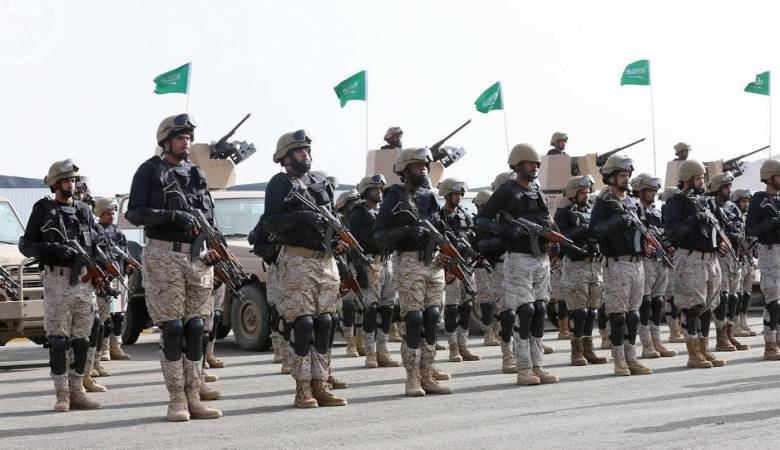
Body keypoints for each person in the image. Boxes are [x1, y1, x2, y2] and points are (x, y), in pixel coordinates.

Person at [126, 114, 222, 421]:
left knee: (196, 328)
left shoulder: (195, 172)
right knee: (173, 328)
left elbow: (209, 215)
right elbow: (135, 213)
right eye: (181, 137)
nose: (186, 142)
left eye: (189, 137)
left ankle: (194, 397)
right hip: (163, 255)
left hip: (197, 257)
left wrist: (215, 247)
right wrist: (171, 217)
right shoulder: (149, 170)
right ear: (166, 140)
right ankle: (177, 400)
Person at [262, 129, 347, 408]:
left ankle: (321, 383)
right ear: (285, 156)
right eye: (299, 151)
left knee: (326, 322)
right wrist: (300, 217)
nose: (305, 155)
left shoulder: (320, 183)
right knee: (303, 323)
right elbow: (270, 222)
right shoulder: (279, 183)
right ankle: (302, 388)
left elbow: (334, 218)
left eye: (307, 150)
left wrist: (338, 240)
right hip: (297, 260)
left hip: (326, 261)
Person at [20, 159, 102, 412]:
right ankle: (62, 394)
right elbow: (26, 245)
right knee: (58, 341)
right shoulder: (43, 209)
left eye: (74, 180)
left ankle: (77, 391)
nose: (72, 184)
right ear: (56, 184)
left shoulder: (84, 211)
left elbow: (96, 245)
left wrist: (101, 271)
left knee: (82, 340)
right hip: (57, 280)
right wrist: (52, 248)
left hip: (84, 282)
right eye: (67, 180)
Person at [475, 144, 559, 386]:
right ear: (518, 165)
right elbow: (482, 220)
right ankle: (523, 368)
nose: (534, 168)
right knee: (525, 311)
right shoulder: (507, 192)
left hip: (540, 259)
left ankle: (538, 365)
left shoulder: (537, 192)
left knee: (540, 311)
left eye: (536, 164)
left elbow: (548, 221)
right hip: (519, 258)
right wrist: (507, 230)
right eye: (530, 164)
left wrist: (556, 242)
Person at [374, 147, 452, 396]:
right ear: (405, 169)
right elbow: (378, 235)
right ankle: (412, 378)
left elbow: (442, 228)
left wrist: (451, 249)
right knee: (414, 318)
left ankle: (427, 374)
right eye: (418, 165)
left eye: (425, 165)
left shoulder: (430, 197)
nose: (424, 169)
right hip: (408, 261)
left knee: (432, 317)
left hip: (434, 262)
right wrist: (405, 232)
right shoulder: (394, 197)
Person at [589, 155, 653, 376]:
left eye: (628, 175)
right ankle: (619, 360)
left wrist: (646, 244)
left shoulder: (633, 203)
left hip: (637, 263)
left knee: (634, 315)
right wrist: (618, 221)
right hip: (617, 264)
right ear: (611, 177)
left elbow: (641, 229)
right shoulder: (604, 203)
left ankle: (631, 357)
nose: (626, 179)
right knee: (618, 315)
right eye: (622, 175)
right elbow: (594, 231)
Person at [664, 160, 726, 369]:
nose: (701, 182)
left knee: (708, 308)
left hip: (710, 260)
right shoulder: (676, 202)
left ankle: (704, 349)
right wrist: (694, 219)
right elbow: (672, 233)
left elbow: (716, 226)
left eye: (702, 178)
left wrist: (719, 243)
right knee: (692, 307)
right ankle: (693, 353)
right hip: (691, 259)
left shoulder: (705, 202)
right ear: (687, 179)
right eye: (698, 178)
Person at [554, 175, 608, 366]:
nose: (586, 196)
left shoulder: (592, 210)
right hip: (576, 265)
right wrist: (585, 229)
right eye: (582, 192)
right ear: (573, 193)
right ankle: (576, 351)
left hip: (595, 264)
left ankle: (589, 350)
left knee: (592, 311)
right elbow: (561, 236)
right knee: (579, 312)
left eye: (587, 192)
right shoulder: (565, 213)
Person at [349, 175, 400, 368]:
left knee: (388, 308)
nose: (379, 192)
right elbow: (353, 244)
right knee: (370, 309)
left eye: (380, 189)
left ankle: (383, 350)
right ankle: (370, 353)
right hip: (369, 263)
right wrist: (359, 270)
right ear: (366, 191)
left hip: (388, 262)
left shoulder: (384, 211)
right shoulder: (359, 213)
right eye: (375, 189)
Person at [630, 174, 677, 359]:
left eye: (654, 190)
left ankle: (657, 340)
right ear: (640, 191)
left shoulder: (656, 212)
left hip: (660, 260)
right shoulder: (634, 209)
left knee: (658, 301)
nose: (653, 193)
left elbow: (662, 232)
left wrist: (668, 246)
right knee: (646, 301)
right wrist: (642, 246)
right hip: (645, 261)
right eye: (650, 190)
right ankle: (646, 343)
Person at [438, 178, 481, 362]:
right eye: (455, 194)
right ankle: (453, 348)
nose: (459, 197)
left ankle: (463, 346)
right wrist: (445, 269)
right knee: (452, 308)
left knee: (467, 306)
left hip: (467, 265)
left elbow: (472, 239)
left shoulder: (465, 216)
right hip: (451, 265)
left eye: (460, 194)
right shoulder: (440, 217)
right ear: (447, 195)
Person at [706, 173, 749, 352]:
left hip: (734, 257)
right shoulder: (710, 207)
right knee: (722, 298)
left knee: (734, 298)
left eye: (730, 187)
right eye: (726, 187)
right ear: (718, 188)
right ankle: (721, 337)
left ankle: (730, 333)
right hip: (721, 257)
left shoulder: (730, 208)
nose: (730, 190)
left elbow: (736, 229)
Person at [745, 159, 780, 360]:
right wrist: (773, 221)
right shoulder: (759, 200)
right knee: (773, 301)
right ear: (770, 177)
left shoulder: (778, 200)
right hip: (769, 251)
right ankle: (769, 344)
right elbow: (750, 229)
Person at [471, 190, 502, 348]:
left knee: (498, 301)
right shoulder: (477, 222)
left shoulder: (495, 221)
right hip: (482, 265)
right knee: (486, 301)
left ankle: (496, 331)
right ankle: (488, 333)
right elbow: (476, 245)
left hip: (496, 264)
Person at [728, 189, 758, 338]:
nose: (747, 204)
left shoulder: (746, 218)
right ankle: (734, 324)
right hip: (737, 259)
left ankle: (743, 321)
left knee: (746, 294)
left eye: (748, 201)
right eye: (744, 201)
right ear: (737, 202)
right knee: (737, 294)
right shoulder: (732, 217)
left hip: (748, 259)